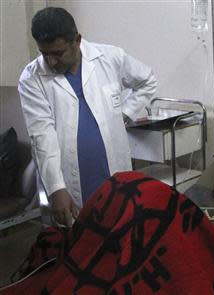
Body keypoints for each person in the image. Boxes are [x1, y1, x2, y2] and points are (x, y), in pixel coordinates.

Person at [18, 7, 157, 227]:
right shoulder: (32, 78)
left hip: (112, 173)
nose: (51, 62)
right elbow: (41, 135)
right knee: (76, 248)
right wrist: (56, 189)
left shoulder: (110, 58)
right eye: (45, 54)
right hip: (69, 183)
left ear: (77, 40)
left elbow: (147, 81)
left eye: (58, 53)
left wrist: (125, 113)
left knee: (119, 235)